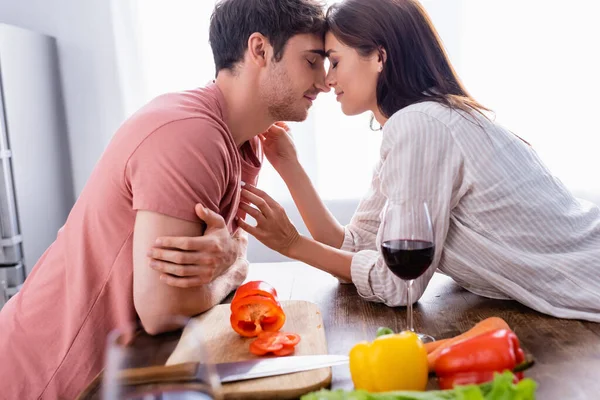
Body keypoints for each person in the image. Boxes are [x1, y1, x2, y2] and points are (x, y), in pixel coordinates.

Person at [158, 0, 600, 324]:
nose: (326, 80)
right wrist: (288, 164)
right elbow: (354, 247)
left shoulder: (420, 125)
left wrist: (292, 245)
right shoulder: (419, 124)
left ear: (380, 57)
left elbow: (396, 284)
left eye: (334, 61)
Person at [0, 0, 329, 398]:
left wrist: (228, 260)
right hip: (45, 378)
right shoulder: (190, 135)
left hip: (121, 373)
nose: (325, 81)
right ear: (259, 50)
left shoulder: (244, 145)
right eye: (312, 61)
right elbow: (161, 310)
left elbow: (223, 255)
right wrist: (234, 269)